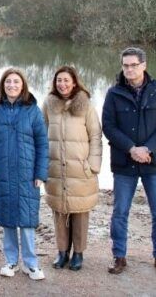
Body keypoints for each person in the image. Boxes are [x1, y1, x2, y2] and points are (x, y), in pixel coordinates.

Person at [102, 47, 156, 277]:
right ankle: (119, 256)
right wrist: (131, 149)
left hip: (154, 162)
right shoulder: (114, 93)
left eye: (133, 65)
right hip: (124, 163)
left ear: (144, 65)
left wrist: (147, 148)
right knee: (120, 212)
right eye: (125, 65)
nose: (129, 69)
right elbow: (109, 127)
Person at [0, 68, 48, 281]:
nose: (12, 85)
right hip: (2, 172)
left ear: (23, 85)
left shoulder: (33, 111)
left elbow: (43, 144)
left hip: (27, 174)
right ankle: (11, 261)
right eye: (8, 82)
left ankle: (31, 264)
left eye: (16, 82)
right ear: (3, 85)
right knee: (8, 218)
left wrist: (40, 173)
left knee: (27, 219)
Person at [43, 65, 102, 271]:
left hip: (81, 169)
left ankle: (78, 253)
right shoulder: (48, 104)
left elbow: (95, 136)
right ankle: (62, 252)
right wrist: (43, 164)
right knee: (59, 212)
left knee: (80, 212)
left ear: (74, 82)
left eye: (66, 80)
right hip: (55, 169)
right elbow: (41, 134)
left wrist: (93, 165)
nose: (62, 84)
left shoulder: (86, 106)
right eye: (59, 80)